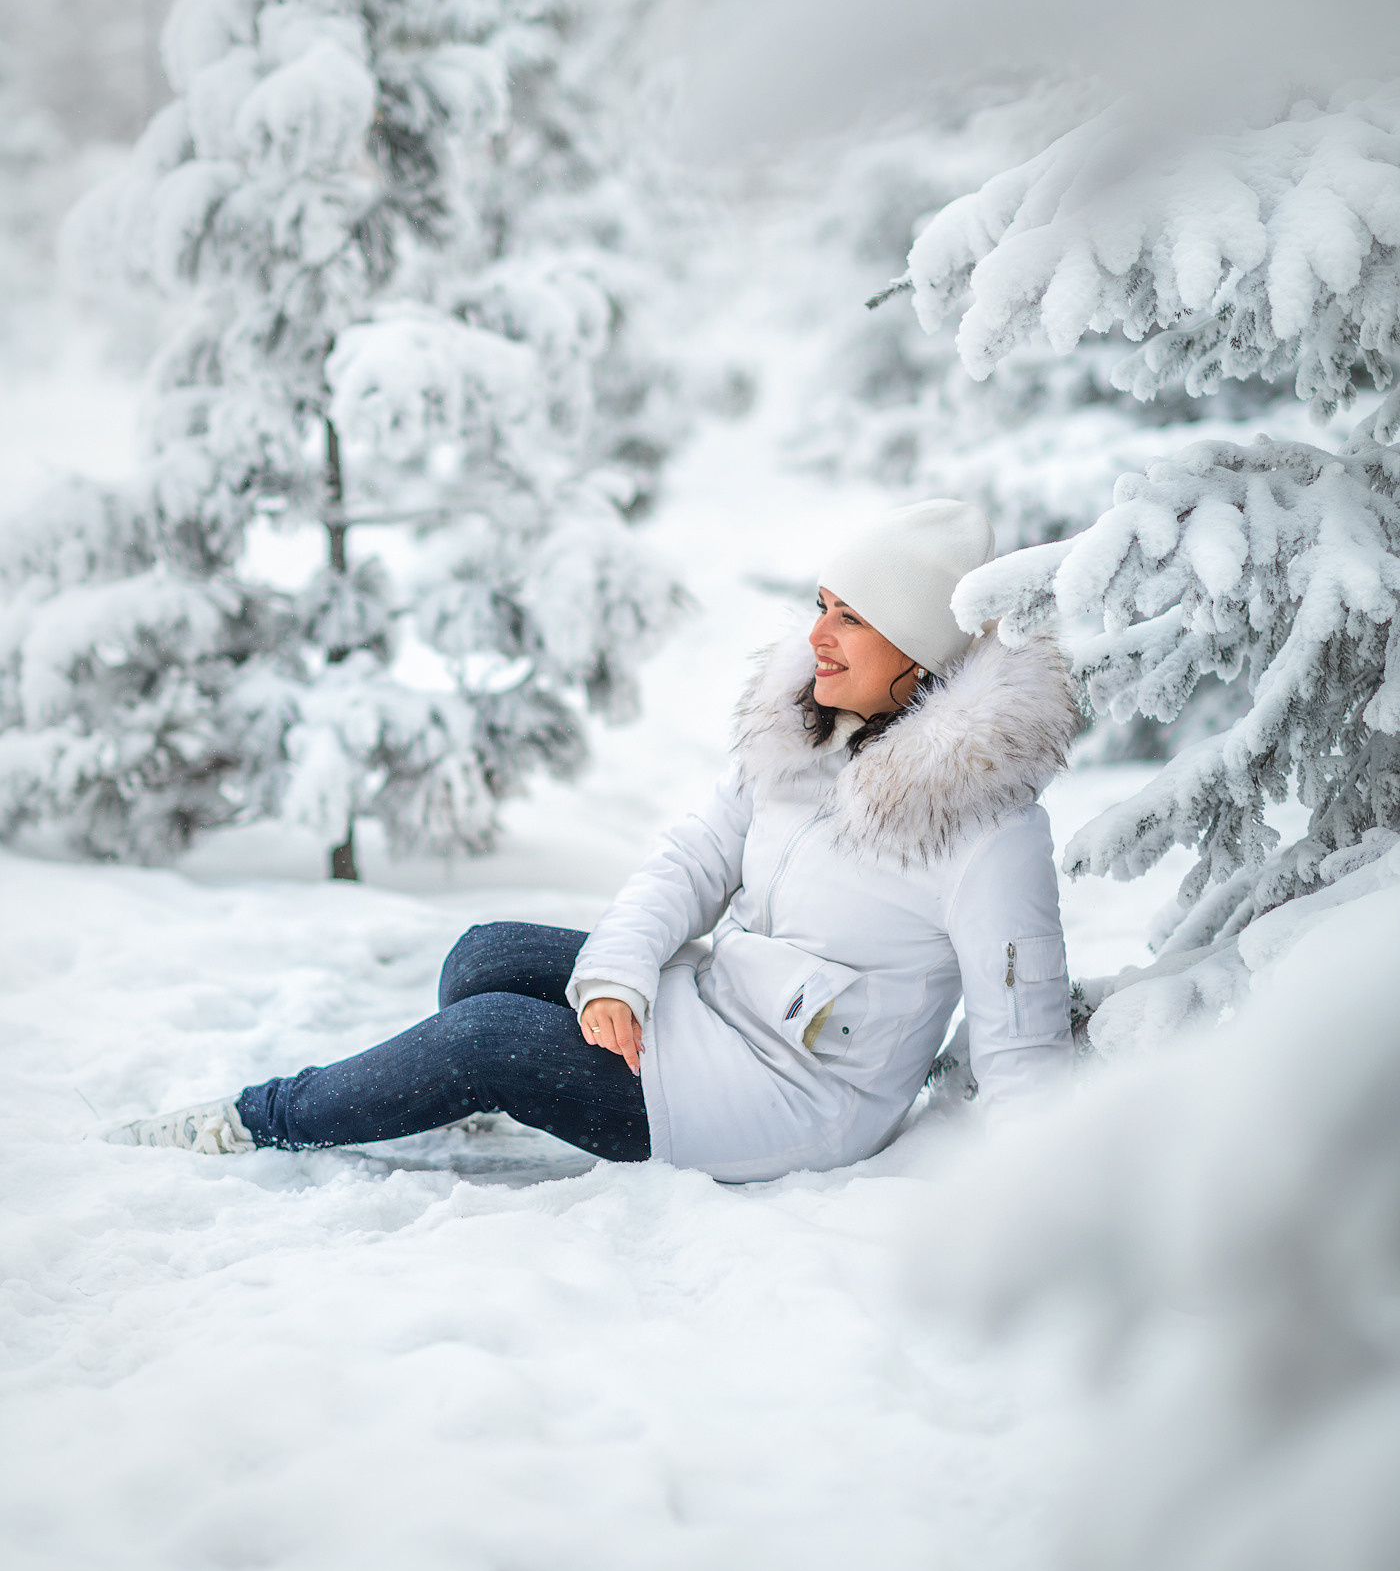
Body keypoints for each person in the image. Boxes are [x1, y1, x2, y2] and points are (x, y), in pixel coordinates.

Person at [114, 499, 1079, 1180]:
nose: (818, 634)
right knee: (483, 955)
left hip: (792, 1099)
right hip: (718, 1009)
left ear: (919, 654)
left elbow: (1023, 1052)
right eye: (822, 604)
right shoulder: (809, 735)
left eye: (853, 618)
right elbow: (690, 861)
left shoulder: (990, 831)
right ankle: (507, 1084)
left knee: (486, 1036)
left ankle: (258, 1118)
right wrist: (617, 978)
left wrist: (1049, 1211)